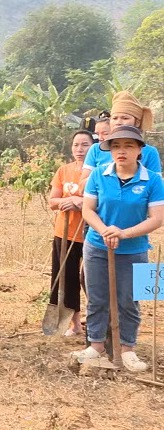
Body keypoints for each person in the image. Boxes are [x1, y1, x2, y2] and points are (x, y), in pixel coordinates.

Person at [72, 125, 164, 372]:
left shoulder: (153, 180)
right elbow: (88, 210)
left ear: (139, 150)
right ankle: (96, 345)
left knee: (129, 300)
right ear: (110, 151)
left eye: (128, 146)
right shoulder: (99, 175)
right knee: (97, 297)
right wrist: (104, 230)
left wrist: (124, 233)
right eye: (116, 146)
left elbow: (156, 218)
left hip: (135, 249)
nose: (121, 151)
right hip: (97, 245)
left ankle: (128, 350)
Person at [47, 130, 94, 336]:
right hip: (64, 233)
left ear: (94, 147)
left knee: (90, 278)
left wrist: (82, 203)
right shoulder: (63, 171)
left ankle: (98, 319)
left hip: (91, 233)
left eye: (85, 145)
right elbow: (52, 201)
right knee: (67, 278)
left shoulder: (99, 171)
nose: (80, 149)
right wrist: (66, 202)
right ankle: (74, 322)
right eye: (76, 145)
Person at [79, 92, 160, 187]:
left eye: (125, 118)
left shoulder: (150, 152)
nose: (118, 122)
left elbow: (156, 186)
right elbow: (82, 186)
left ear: (137, 122)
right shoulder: (96, 149)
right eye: (115, 118)